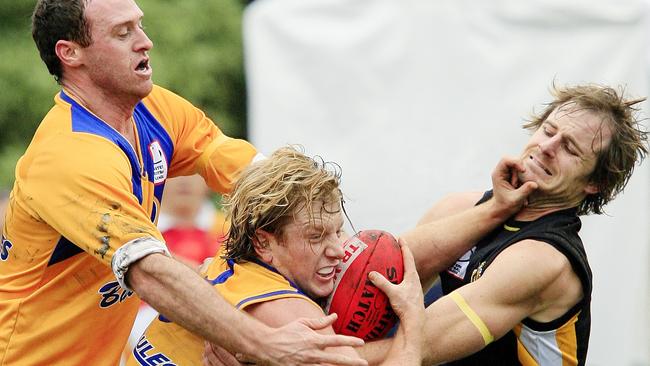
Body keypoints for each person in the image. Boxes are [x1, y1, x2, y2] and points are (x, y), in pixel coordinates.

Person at [0, 1, 366, 365]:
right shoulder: (69, 154)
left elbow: (263, 181)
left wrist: (337, 244)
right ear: (70, 53)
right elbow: (149, 273)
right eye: (122, 33)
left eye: (140, 26)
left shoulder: (153, 109)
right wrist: (265, 344)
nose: (145, 42)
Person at [360, 84, 648, 365]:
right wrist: (496, 208)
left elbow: (421, 346)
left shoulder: (547, 260)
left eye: (570, 149)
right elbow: (379, 274)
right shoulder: (459, 207)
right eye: (548, 130)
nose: (547, 147)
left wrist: (324, 357)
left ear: (595, 183)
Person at [126, 146, 425, 365]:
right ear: (264, 244)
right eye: (316, 236)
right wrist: (413, 321)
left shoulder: (224, 265)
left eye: (338, 231)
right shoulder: (287, 311)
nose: (338, 250)